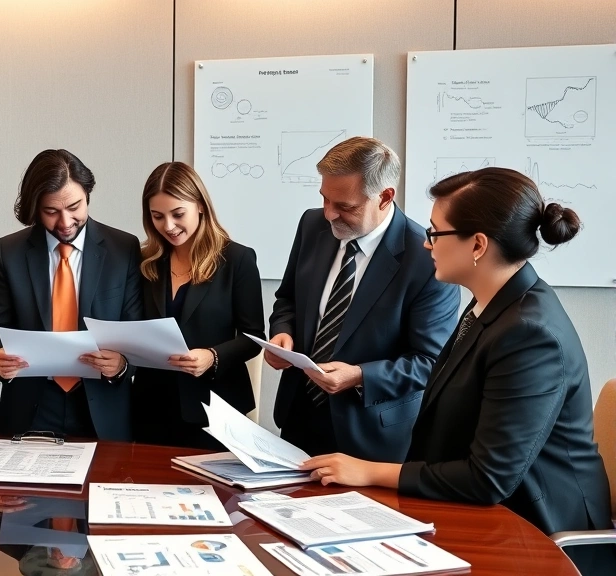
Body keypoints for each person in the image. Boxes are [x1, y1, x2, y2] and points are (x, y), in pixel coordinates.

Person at [301, 167, 614, 575]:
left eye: (435, 233)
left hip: (536, 530)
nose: (426, 243)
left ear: (478, 245)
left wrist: (369, 471)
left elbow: (488, 479)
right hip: (483, 510)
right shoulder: (489, 302)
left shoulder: (530, 333)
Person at [266, 136, 459, 462]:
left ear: (384, 197)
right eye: (325, 199)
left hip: (371, 435)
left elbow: (431, 362)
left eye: (345, 207)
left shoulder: (426, 259)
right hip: (298, 416)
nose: (329, 214)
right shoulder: (311, 224)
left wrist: (358, 376)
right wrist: (283, 333)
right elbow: (288, 299)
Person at [0, 149, 143, 440]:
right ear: (35, 208)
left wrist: (123, 364)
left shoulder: (124, 249)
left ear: (88, 194)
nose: (65, 221)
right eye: (51, 211)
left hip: (103, 403)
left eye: (74, 206)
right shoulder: (9, 252)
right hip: (30, 405)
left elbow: (136, 330)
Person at [132, 162, 265, 449]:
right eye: (157, 216)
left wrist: (212, 356)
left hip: (215, 408)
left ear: (200, 206)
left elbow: (254, 338)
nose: (168, 226)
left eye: (178, 214)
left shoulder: (237, 260)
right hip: (150, 406)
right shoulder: (144, 263)